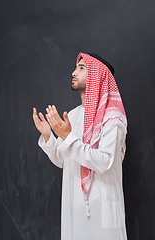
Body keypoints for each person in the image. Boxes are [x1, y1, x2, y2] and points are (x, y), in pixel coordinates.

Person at [33, 52, 128, 240]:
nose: (73, 72)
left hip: (101, 211)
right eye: (76, 67)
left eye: (81, 68)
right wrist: (49, 137)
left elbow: (104, 162)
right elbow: (63, 160)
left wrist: (67, 136)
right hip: (73, 212)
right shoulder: (74, 115)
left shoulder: (112, 119)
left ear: (97, 76)